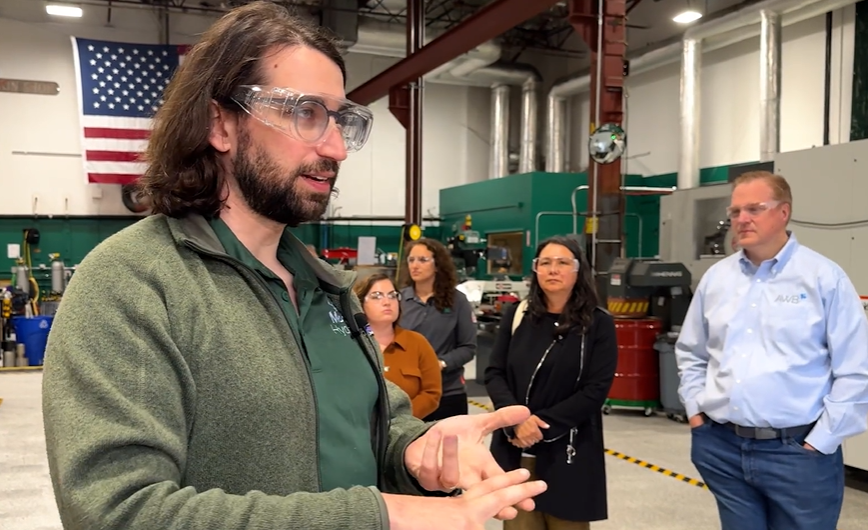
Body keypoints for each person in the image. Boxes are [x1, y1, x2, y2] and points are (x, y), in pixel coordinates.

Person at [40, 3, 548, 530]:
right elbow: (118, 512)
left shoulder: (324, 285)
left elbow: (369, 423)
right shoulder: (135, 283)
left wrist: (417, 450)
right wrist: (381, 516)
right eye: (306, 113)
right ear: (221, 124)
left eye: (340, 120)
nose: (335, 148)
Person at [675, 171, 868, 530]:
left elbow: (860, 371)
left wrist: (820, 442)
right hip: (723, 447)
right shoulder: (718, 279)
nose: (742, 219)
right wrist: (696, 412)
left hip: (797, 453)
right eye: (736, 211)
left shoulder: (823, 278)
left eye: (755, 209)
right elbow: (692, 352)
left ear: (783, 212)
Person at [484, 237, 617, 530]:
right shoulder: (518, 315)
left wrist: (539, 426)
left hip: (570, 452)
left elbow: (595, 390)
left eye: (562, 263)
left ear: (577, 271)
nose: (553, 270)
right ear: (535, 270)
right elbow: (495, 373)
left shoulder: (598, 324)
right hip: (516, 448)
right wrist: (515, 421)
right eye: (545, 263)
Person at [398, 238, 478, 421]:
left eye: (422, 260)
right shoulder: (398, 300)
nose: (415, 266)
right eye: (411, 260)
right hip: (408, 393)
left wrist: (441, 363)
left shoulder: (457, 301)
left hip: (448, 392)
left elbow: (468, 347)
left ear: (437, 265)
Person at [354, 273, 443, 419]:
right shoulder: (349, 344)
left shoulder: (417, 343)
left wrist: (401, 419)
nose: (387, 302)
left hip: (408, 431)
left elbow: (431, 393)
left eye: (392, 295)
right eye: (377, 296)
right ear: (360, 303)